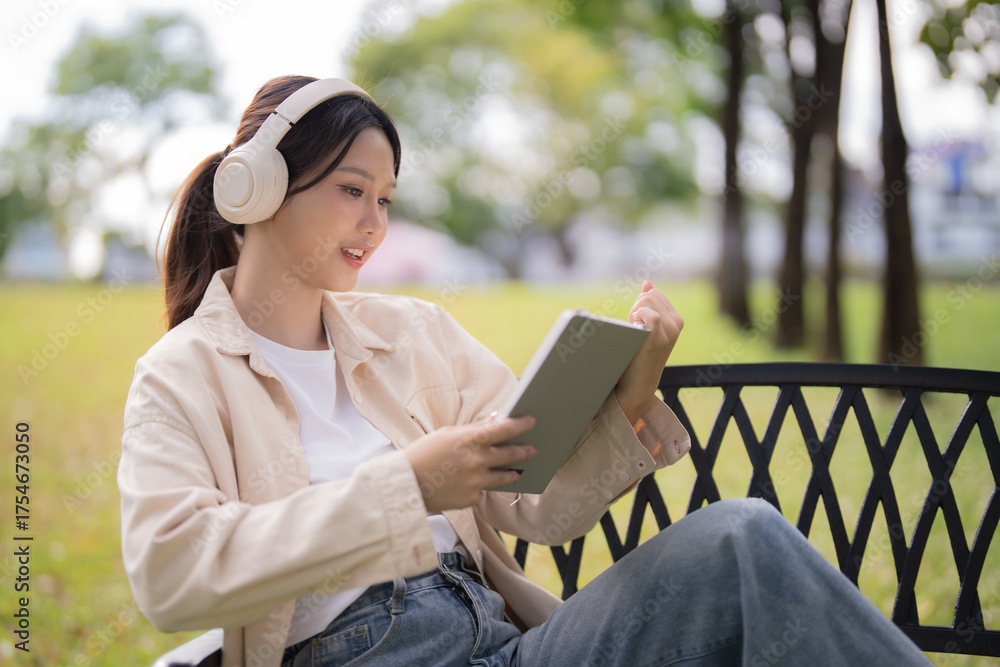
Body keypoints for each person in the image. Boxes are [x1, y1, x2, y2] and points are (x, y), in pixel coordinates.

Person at [118, 75, 932, 667]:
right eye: (351, 189)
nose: (374, 223)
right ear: (256, 189)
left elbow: (530, 502)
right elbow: (173, 571)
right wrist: (408, 485)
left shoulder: (414, 333)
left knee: (741, 538)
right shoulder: (181, 377)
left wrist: (632, 388)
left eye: (387, 198)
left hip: (508, 646)